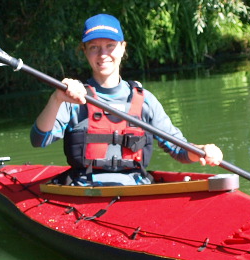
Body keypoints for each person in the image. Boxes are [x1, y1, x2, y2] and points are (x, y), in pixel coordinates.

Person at [31, 13, 223, 185]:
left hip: (135, 190)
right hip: (85, 192)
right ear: (84, 51)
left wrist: (202, 150)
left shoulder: (145, 100)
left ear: (123, 48)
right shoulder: (72, 97)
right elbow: (38, 140)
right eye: (94, 47)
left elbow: (179, 150)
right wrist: (56, 98)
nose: (103, 54)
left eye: (110, 46)